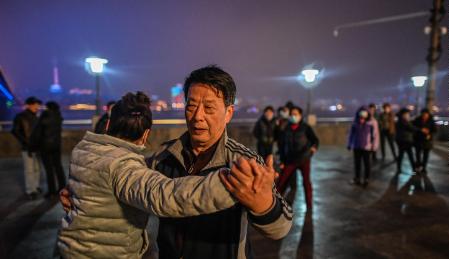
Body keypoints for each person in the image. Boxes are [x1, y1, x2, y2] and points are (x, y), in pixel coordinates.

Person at [57, 92, 276, 259]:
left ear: (107, 125)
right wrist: (233, 182)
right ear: (145, 135)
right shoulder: (124, 168)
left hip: (68, 249)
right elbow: (166, 195)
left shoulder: (83, 151)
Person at [148, 66, 292, 259]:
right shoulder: (162, 157)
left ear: (228, 113)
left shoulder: (244, 163)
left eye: (209, 108)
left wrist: (263, 203)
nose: (197, 116)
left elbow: (281, 227)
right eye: (191, 106)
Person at [276, 106, 319, 210]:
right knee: (282, 181)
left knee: (306, 182)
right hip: (289, 160)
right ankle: (275, 203)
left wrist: (312, 150)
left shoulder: (306, 127)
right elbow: (282, 144)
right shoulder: (286, 128)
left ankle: (309, 205)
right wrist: (282, 159)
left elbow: (315, 140)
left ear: (300, 115)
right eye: (292, 114)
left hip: (304, 159)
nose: (293, 116)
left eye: (296, 114)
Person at [29, 101, 66, 198]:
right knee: (58, 167)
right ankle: (63, 188)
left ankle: (52, 191)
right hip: (56, 146)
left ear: (48, 108)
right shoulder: (58, 117)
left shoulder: (44, 116)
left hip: (45, 146)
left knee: (49, 169)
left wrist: (32, 146)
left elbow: (37, 133)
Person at [11, 96, 42, 199]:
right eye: (35, 104)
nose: (37, 106)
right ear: (29, 105)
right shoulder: (20, 116)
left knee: (37, 168)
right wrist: (25, 142)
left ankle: (36, 187)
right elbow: (15, 131)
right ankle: (30, 190)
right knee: (29, 169)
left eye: (37, 104)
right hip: (27, 147)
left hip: (37, 146)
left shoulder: (36, 117)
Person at [347, 107, 377, 187]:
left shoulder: (371, 123)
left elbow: (375, 136)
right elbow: (351, 135)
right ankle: (357, 178)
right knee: (357, 164)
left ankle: (366, 179)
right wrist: (349, 144)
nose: (362, 119)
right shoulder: (355, 123)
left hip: (367, 147)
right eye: (361, 116)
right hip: (356, 146)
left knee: (367, 164)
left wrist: (374, 146)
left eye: (364, 116)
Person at [413, 108, 437, 173]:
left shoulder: (431, 120)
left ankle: (424, 168)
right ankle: (418, 167)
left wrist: (429, 133)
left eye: (426, 114)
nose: (424, 116)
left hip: (427, 140)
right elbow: (413, 127)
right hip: (418, 140)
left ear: (428, 114)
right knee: (418, 154)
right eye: (423, 114)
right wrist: (421, 129)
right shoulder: (417, 119)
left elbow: (435, 130)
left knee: (426, 155)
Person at [395, 108, 418, 173]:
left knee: (401, 155)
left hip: (402, 140)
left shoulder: (400, 120)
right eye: (407, 114)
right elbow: (411, 128)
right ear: (403, 114)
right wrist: (420, 130)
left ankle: (399, 169)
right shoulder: (404, 121)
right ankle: (413, 169)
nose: (408, 115)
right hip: (405, 140)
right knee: (409, 155)